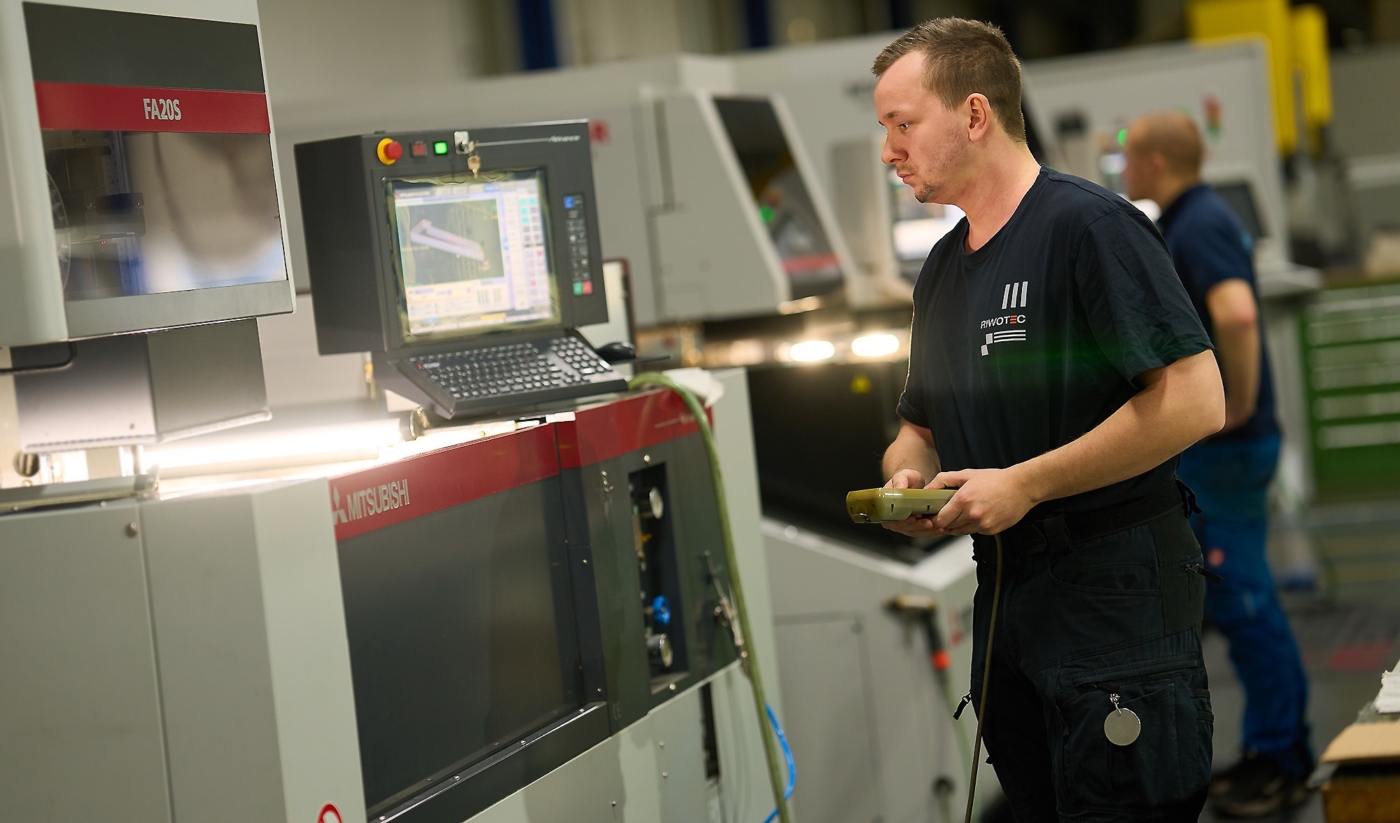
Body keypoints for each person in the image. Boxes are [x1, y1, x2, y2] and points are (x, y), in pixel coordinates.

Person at [872, 19, 1226, 822]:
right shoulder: (941, 271)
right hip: (1010, 607)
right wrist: (909, 477)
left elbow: (1198, 397)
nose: (889, 150)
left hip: (1112, 601)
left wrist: (1026, 484)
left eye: (902, 125)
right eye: (883, 129)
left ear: (973, 114)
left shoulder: (1089, 228)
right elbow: (918, 425)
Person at [1123, 111, 1313, 817]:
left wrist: (1233, 404)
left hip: (1227, 452)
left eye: (1130, 159)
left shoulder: (1194, 225)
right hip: (1233, 450)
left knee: (1243, 600)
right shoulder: (1206, 216)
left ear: (1157, 163)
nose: (1125, 171)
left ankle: (1281, 757)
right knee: (1243, 598)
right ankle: (1278, 745)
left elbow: (1234, 315)